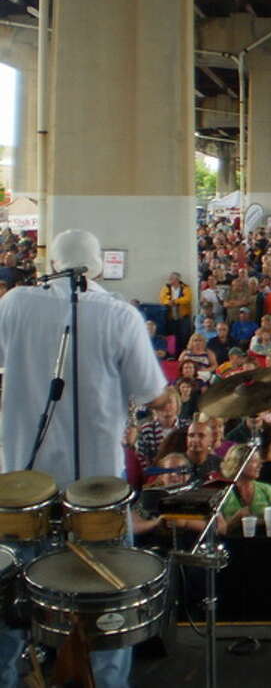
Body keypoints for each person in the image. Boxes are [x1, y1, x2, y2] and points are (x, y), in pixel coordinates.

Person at [0, 229, 169, 688]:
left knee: (10, 600)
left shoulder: (14, 303)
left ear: (50, 263)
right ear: (97, 267)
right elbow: (155, 395)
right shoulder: (120, 316)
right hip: (96, 495)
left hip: (22, 488)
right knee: (108, 602)